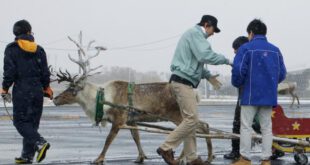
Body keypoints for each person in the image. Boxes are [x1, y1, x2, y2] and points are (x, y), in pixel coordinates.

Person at [156, 15, 232, 165]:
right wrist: (228, 61)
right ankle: (166, 147)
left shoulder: (193, 36)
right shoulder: (196, 34)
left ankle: (192, 158)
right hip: (183, 83)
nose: (213, 34)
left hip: (182, 81)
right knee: (192, 120)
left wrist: (208, 76)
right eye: (213, 30)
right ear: (207, 24)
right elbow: (204, 55)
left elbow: (195, 63)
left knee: (188, 121)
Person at [231, 19, 286, 165]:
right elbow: (282, 73)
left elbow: (238, 70)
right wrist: (270, 83)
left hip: (250, 94)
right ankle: (266, 159)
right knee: (267, 127)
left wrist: (237, 82)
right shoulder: (275, 50)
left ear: (251, 33)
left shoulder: (246, 48)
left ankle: (245, 159)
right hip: (268, 95)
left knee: (246, 126)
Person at [1, 19, 53, 164]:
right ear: (29, 32)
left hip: (22, 90)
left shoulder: (12, 49)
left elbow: (9, 72)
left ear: (15, 33)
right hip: (37, 90)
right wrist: (46, 88)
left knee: (20, 122)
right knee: (32, 123)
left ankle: (40, 143)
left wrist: (5, 88)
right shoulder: (39, 49)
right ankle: (27, 155)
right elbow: (45, 73)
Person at [224, 36, 262, 160]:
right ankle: (274, 146)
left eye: (235, 48)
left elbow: (238, 76)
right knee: (260, 124)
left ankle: (236, 151)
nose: (234, 51)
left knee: (238, 123)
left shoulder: (242, 56)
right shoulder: (257, 55)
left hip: (245, 95)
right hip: (259, 94)